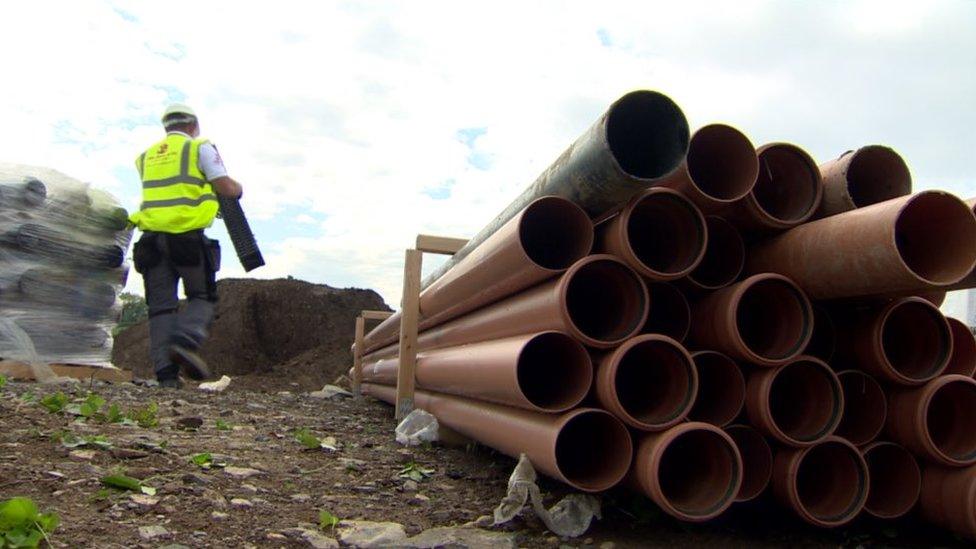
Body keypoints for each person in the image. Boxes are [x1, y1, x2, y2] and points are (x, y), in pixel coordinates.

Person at [130, 104, 243, 388]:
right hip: (187, 239)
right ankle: (185, 340)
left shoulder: (145, 157)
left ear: (166, 127)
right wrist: (237, 189)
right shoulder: (200, 148)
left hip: (151, 241)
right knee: (202, 297)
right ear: (194, 127)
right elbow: (226, 187)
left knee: (160, 309)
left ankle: (167, 377)